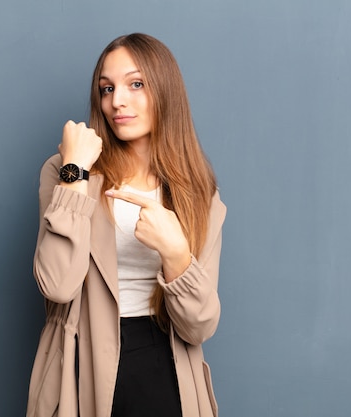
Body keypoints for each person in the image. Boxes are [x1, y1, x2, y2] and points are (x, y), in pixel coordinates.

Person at [27, 33, 227, 417]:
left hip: (165, 367)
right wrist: (76, 171)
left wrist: (175, 253)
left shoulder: (200, 194)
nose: (116, 101)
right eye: (107, 88)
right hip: (81, 365)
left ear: (165, 91)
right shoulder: (67, 171)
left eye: (136, 84)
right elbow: (56, 284)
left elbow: (199, 326)